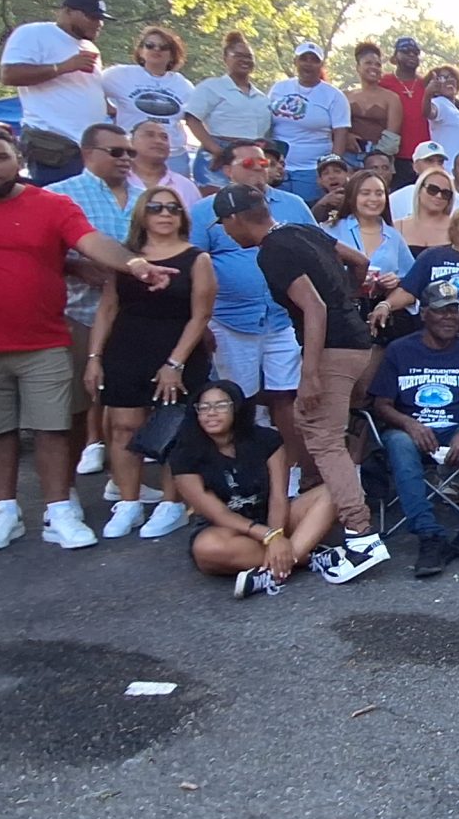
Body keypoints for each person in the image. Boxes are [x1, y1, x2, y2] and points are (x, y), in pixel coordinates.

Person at [0, 125, 177, 553]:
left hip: (47, 337)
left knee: (54, 429)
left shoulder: (51, 204)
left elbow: (91, 242)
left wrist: (134, 265)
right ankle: (3, 512)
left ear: (18, 161)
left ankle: (59, 511)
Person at [212, 185, 389, 580]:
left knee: (324, 439)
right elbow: (359, 261)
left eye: (224, 224)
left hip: (332, 349)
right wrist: (349, 299)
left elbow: (315, 307)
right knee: (324, 433)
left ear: (235, 219)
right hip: (357, 342)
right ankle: (346, 524)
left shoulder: (272, 251)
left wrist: (309, 375)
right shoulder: (301, 229)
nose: (225, 232)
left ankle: (361, 536)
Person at [85, 187, 215, 540]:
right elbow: (107, 309)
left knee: (174, 429)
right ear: (142, 214)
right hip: (126, 349)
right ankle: (129, 502)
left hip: (179, 351)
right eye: (156, 207)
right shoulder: (127, 259)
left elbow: (201, 315)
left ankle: (172, 504)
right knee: (123, 427)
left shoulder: (197, 259)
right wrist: (94, 357)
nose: (165, 213)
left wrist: (175, 363)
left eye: (173, 208)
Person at [365, 273, 459, 576]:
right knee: (399, 442)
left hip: (458, 428)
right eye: (442, 310)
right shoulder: (400, 350)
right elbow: (381, 405)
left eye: (454, 310)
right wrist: (410, 424)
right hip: (412, 432)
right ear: (424, 314)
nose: (449, 317)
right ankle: (430, 535)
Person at [187, 142, 312, 438]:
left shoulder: (294, 205)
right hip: (229, 321)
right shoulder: (205, 211)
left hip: (284, 319)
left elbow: (315, 252)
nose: (258, 167)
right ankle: (246, 461)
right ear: (227, 170)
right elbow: (192, 269)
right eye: (248, 163)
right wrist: (201, 324)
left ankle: (291, 461)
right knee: (239, 398)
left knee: (287, 395)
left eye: (263, 162)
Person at [176, 381, 345, 599]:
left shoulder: (266, 440)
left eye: (221, 405)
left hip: (275, 518)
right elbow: (219, 514)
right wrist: (268, 536)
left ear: (237, 408)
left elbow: (278, 496)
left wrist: (276, 534)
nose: (211, 413)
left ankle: (271, 572)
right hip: (228, 529)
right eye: (204, 407)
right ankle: (305, 556)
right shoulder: (184, 455)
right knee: (207, 549)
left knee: (332, 492)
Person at [47, 122, 148, 481]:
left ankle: (122, 484)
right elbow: (38, 252)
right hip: (79, 312)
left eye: (130, 152)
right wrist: (73, 266)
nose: (126, 159)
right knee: (78, 399)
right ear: (88, 153)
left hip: (135, 315)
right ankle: (67, 486)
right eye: (116, 151)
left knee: (128, 402)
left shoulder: (145, 197)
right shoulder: (58, 195)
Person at [0, 0, 109, 185]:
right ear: (67, 12)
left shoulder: (89, 48)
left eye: (101, 19)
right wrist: (62, 67)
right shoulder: (34, 33)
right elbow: (9, 74)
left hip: (87, 147)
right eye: (92, 17)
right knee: (55, 198)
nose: (98, 23)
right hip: (53, 143)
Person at [102, 26, 196, 175]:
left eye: (164, 47)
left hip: (172, 156)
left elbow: (195, 118)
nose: (156, 50)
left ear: (172, 55)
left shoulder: (183, 85)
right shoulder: (120, 75)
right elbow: (90, 89)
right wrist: (109, 110)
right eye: (150, 45)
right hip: (131, 154)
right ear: (141, 51)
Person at [184, 32, 273, 184]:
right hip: (216, 155)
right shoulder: (211, 87)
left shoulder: (261, 97)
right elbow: (192, 119)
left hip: (251, 158)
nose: (245, 60)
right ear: (225, 58)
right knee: (215, 196)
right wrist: (217, 150)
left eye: (249, 57)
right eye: (238, 55)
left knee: (249, 196)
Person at [266, 42, 348, 202]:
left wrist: (330, 170)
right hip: (277, 169)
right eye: (304, 59)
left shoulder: (334, 96)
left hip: (312, 170)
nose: (308, 64)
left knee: (310, 211)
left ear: (321, 65)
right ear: (295, 61)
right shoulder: (279, 88)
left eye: (314, 60)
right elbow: (267, 123)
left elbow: (341, 134)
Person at [379, 37, 432, 163]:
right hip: (394, 155)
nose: (412, 55)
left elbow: (452, 103)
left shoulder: (427, 84)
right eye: (406, 51)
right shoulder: (383, 82)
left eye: (415, 52)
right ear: (394, 58)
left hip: (425, 155)